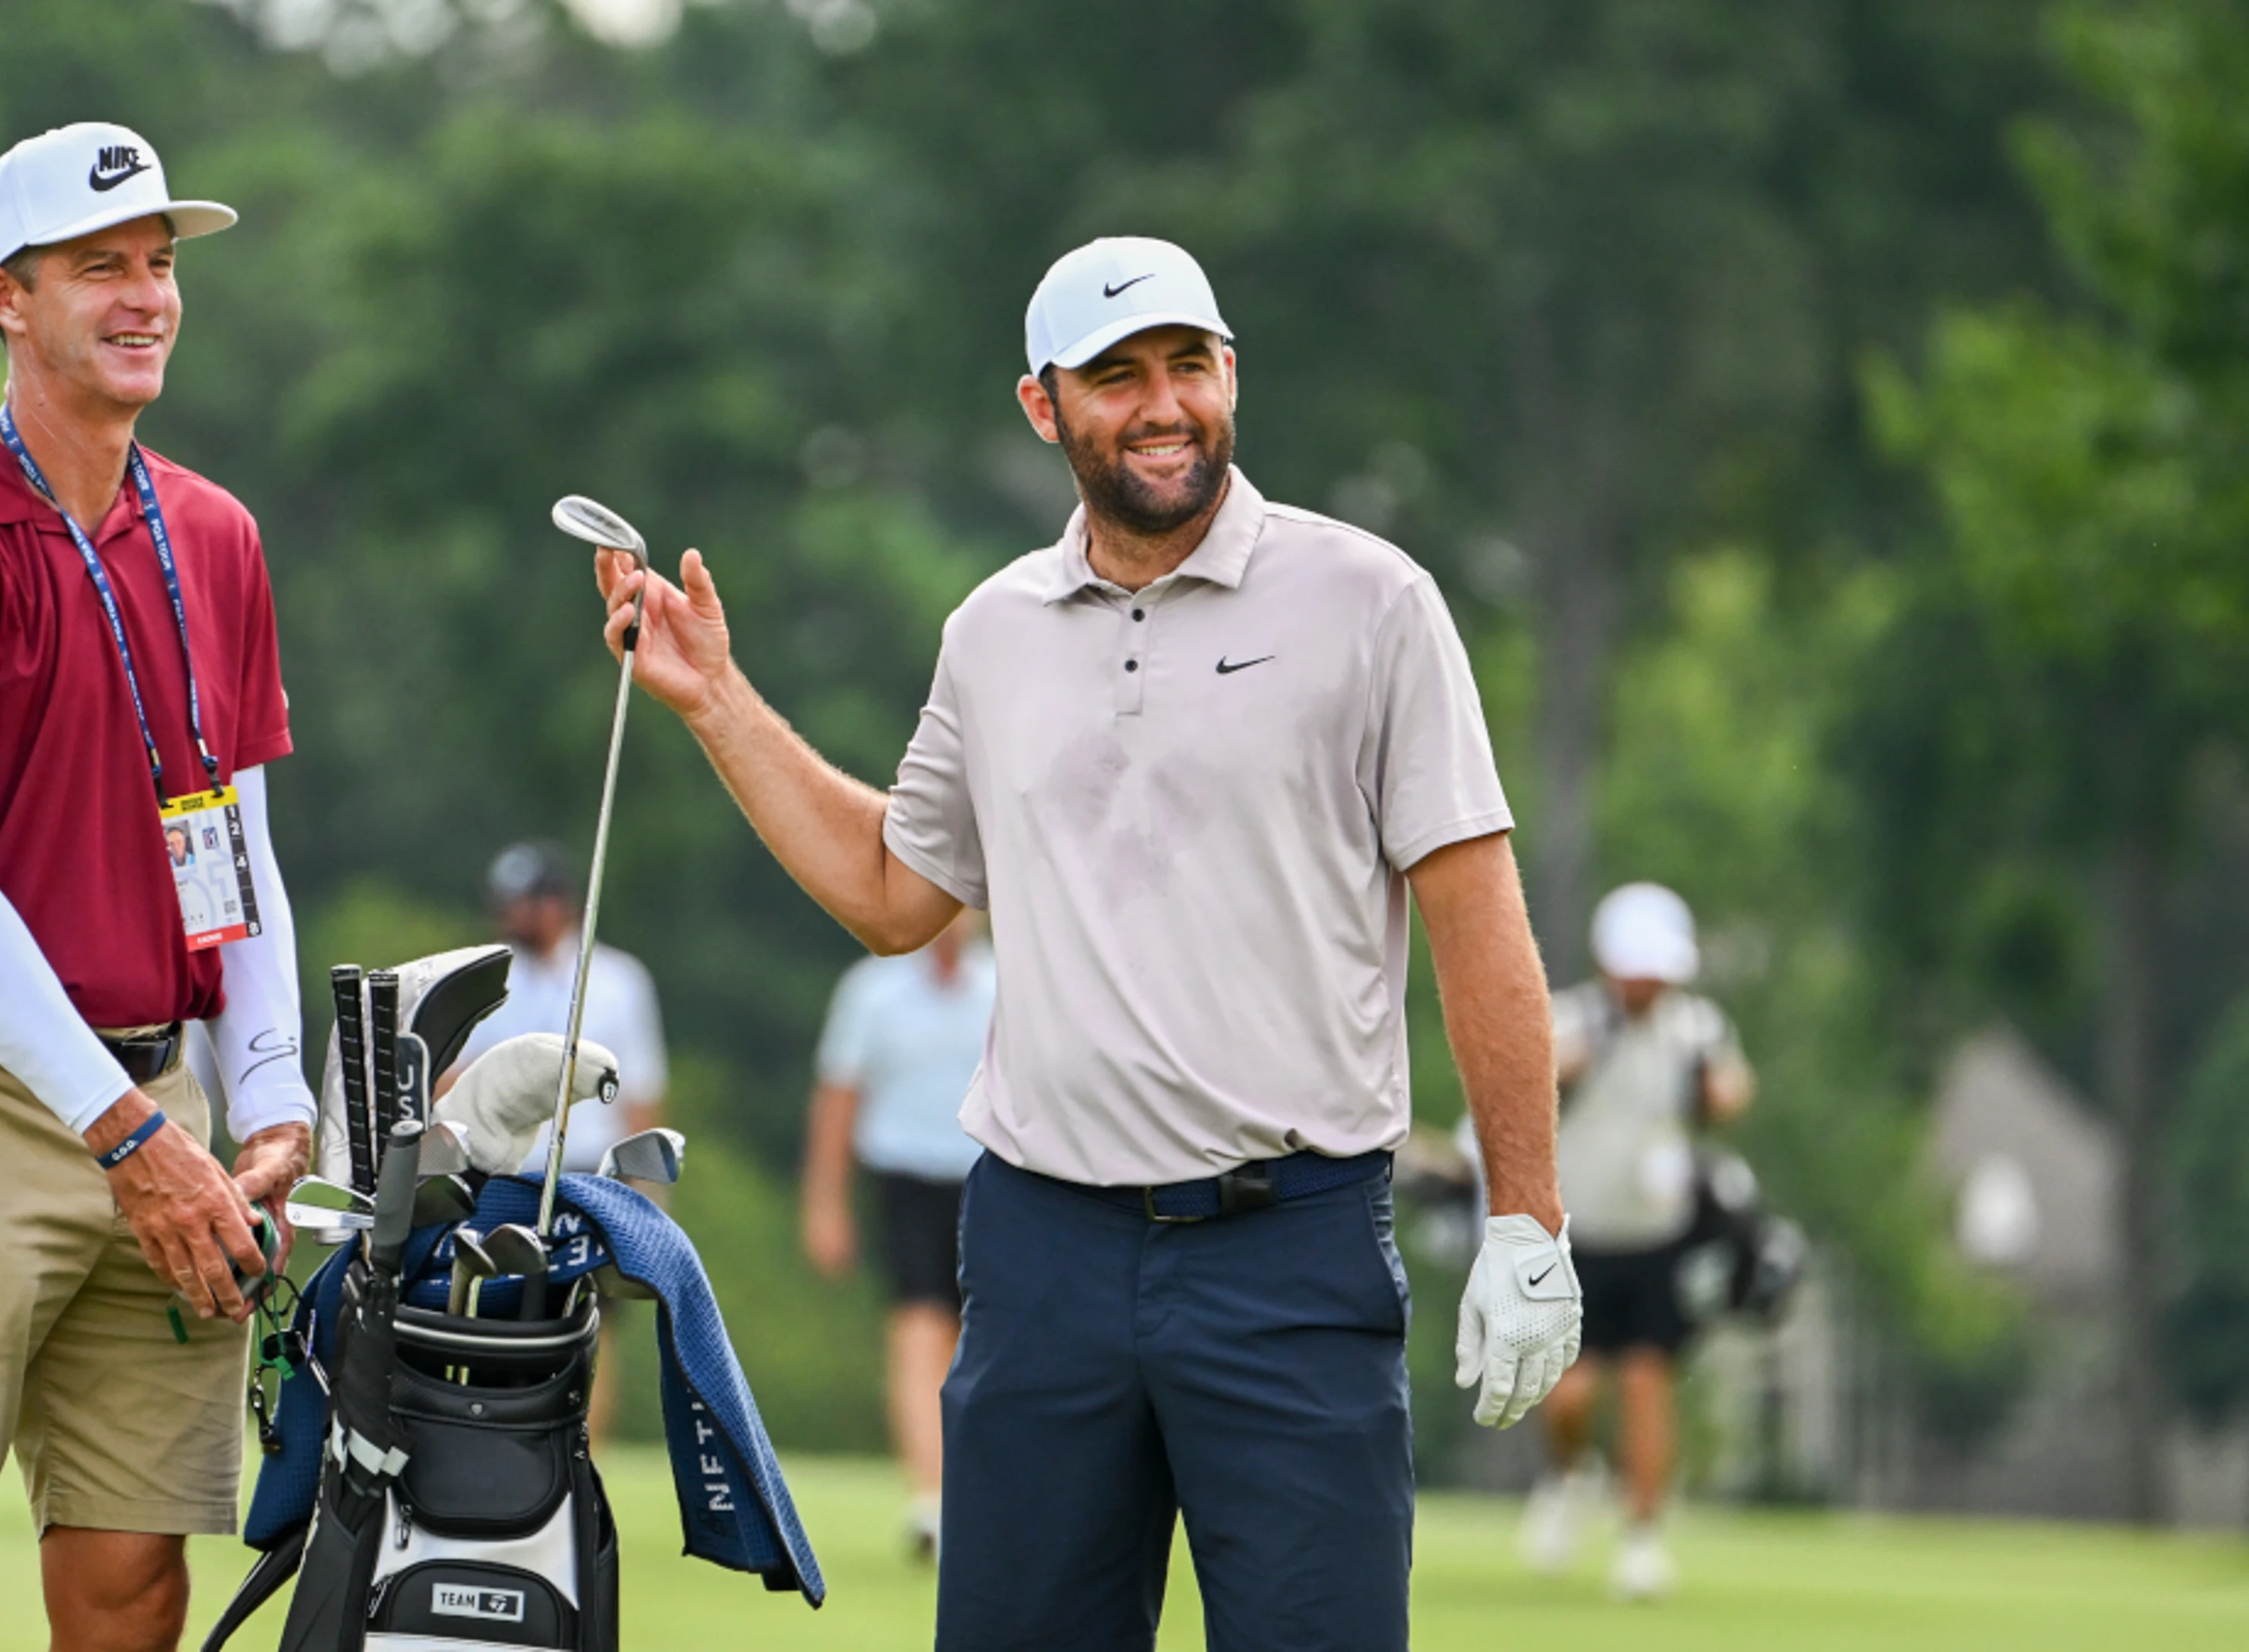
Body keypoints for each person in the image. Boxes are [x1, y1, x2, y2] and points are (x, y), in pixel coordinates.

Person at [589, 236, 1580, 1650]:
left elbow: (1477, 920)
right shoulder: (994, 632)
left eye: (1188, 364)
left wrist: (1527, 1218)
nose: (1162, 403)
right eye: (1116, 377)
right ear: (1043, 407)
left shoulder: (1372, 603)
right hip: (1045, 1250)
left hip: (1289, 1252)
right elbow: (890, 891)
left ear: (1232, 372)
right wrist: (718, 703)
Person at [0, 122, 314, 1652]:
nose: (146, 296)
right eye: (101, 267)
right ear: (6, 296)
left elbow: (246, 856)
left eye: (160, 266)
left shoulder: (212, 539)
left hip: (166, 1104)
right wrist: (131, 1138)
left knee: (131, 1575)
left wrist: (272, 1095)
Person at [1522, 882, 1755, 1600]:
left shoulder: (1697, 1029)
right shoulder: (1578, 1019)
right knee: (1569, 1397)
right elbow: (1533, 1077)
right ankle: (1568, 1481)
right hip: (1579, 1235)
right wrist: (1576, 1062)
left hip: (1660, 1235)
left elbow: (1734, 1089)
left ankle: (1642, 1542)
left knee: (1649, 1381)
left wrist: (1713, 1091)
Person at [454, 839, 669, 1436]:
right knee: (504, 1312)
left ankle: (579, 1451)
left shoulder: (620, 980)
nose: (514, 917)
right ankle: (510, 1442)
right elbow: (455, 1074)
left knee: (591, 1318)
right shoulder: (487, 976)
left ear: (559, 905)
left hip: (590, 1168)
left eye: (526, 903)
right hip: (505, 1166)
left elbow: (640, 1091)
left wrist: (648, 1194)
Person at [799, 909, 994, 1560]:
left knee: (984, 1343)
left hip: (991, 1183)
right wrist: (826, 1204)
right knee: (919, 1331)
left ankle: (982, 1495)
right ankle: (933, 1501)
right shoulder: (871, 990)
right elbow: (839, 1102)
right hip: (906, 1181)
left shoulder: (1007, 986)